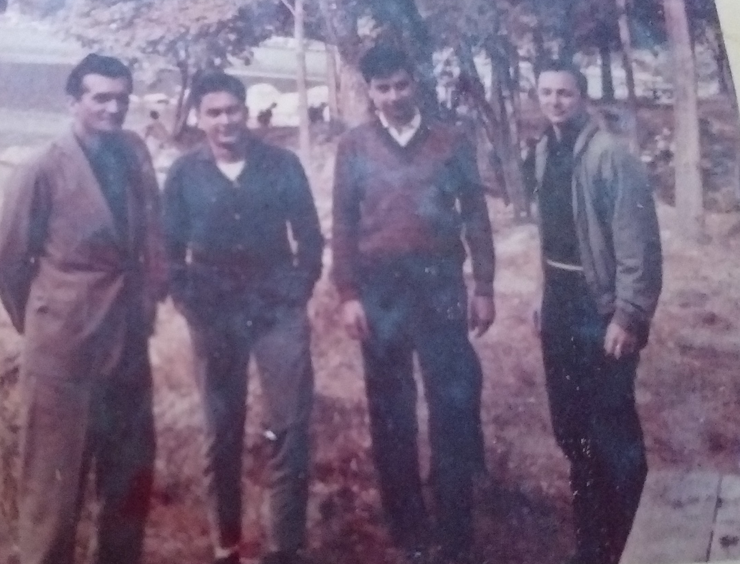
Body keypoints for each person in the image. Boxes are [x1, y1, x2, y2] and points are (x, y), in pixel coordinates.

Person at [0, 53, 167, 564]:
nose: (113, 109)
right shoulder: (40, 169)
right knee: (53, 497)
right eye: (100, 98)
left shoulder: (134, 153)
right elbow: (4, 258)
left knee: (128, 484)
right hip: (64, 356)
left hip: (128, 346)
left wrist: (149, 299)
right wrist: (45, 319)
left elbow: (149, 231)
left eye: (121, 99)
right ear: (74, 102)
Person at [330, 45, 496, 563]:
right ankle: (408, 529)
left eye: (401, 85)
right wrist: (349, 294)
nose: (394, 96)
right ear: (370, 91)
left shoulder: (450, 139)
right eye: (383, 88)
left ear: (414, 83)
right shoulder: (354, 146)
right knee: (391, 409)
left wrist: (484, 286)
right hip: (380, 291)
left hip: (439, 284)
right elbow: (343, 223)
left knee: (450, 402)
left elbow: (475, 215)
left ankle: (455, 529)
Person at [163, 71, 324, 564]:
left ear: (245, 112)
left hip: (276, 309)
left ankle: (284, 547)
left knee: (290, 425)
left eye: (232, 110)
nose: (225, 120)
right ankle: (225, 543)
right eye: (214, 112)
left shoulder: (281, 164)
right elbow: (168, 250)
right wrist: (188, 300)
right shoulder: (185, 173)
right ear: (198, 118)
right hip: (214, 315)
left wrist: (298, 289)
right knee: (221, 428)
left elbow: (310, 237)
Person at [528, 60, 662, 564]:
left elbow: (638, 244)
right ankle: (591, 540)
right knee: (570, 424)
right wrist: (544, 292)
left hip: (600, 306)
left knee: (612, 423)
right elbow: (555, 235)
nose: (555, 101)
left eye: (565, 93)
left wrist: (627, 315)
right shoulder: (545, 151)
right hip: (560, 301)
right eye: (547, 92)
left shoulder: (611, 156)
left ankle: (635, 540)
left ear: (582, 97)